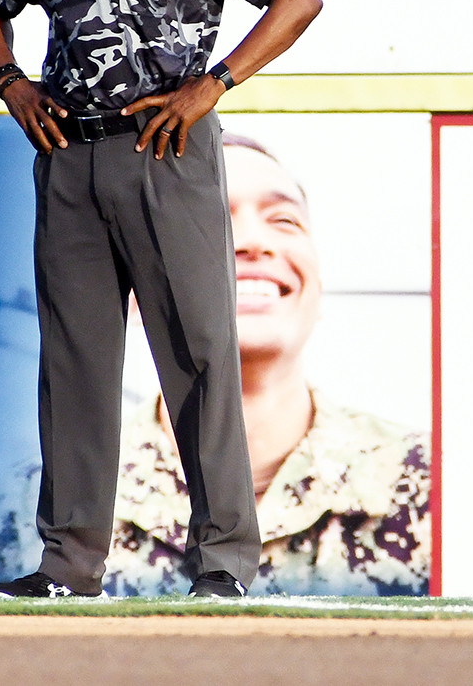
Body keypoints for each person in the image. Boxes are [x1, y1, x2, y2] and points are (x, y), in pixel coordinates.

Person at [0, 0, 323, 599]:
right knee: (75, 363)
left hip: (165, 150)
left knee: (198, 354)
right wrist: (10, 81)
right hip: (70, 156)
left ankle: (224, 564)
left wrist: (217, 82)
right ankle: (68, 566)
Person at [103, 134, 430, 596]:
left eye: (284, 220)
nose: (255, 243)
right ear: (135, 289)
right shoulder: (31, 510)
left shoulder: (433, 487)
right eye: (208, 217)